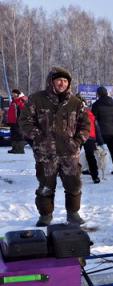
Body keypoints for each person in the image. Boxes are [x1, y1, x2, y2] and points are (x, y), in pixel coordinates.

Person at [18, 67, 90, 226]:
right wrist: (37, 137)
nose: (62, 83)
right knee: (45, 186)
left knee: (74, 185)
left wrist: (77, 141)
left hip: (69, 154)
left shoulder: (76, 103)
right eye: (59, 80)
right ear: (51, 82)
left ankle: (73, 213)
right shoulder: (37, 99)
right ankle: (45, 216)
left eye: (65, 81)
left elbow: (85, 125)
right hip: (46, 154)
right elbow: (24, 121)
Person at [91, 86, 113, 175]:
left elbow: (93, 119)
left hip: (100, 132)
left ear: (98, 94)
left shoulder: (96, 104)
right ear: (106, 93)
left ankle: (94, 170)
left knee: (95, 151)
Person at [82, 99, 104, 184]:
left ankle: (72, 176)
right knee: (90, 156)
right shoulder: (90, 115)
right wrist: (100, 141)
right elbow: (97, 128)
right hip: (90, 137)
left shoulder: (74, 113)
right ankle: (95, 176)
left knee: (73, 156)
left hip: (79, 137)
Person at [7, 89, 27, 154]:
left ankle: (20, 149)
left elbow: (23, 111)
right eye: (12, 94)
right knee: (14, 134)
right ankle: (14, 148)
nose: (13, 95)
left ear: (18, 94)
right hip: (12, 121)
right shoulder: (14, 101)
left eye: (14, 94)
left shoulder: (21, 100)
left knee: (19, 134)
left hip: (18, 121)